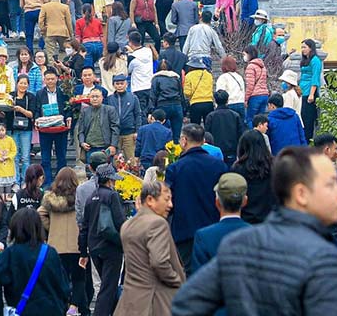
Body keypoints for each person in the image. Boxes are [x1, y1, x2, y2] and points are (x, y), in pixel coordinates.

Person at [171, 146, 337, 315]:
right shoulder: (323, 258)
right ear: (301, 194)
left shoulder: (239, 244)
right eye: (330, 184)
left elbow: (186, 303)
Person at [114, 179, 184, 315]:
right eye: (167, 199)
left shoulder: (127, 226)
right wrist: (177, 280)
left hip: (130, 301)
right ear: (150, 200)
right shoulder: (157, 223)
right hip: (155, 301)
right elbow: (159, 262)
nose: (170, 205)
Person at [165, 124, 229, 272]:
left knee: (186, 274)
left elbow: (169, 201)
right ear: (203, 140)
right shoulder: (219, 166)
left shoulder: (175, 168)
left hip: (184, 231)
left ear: (183, 140)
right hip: (213, 228)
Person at [0, 207, 71, 316]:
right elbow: (64, 287)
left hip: (23, 310)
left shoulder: (11, 254)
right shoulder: (50, 252)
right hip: (52, 310)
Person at [38, 166, 87, 315]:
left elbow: (40, 214)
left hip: (56, 246)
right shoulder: (81, 197)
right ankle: (74, 307)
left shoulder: (50, 198)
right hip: (78, 245)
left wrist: (51, 228)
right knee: (79, 279)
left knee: (60, 279)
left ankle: (63, 305)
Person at [79, 165, 125, 316]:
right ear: (110, 180)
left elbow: (84, 227)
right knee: (108, 288)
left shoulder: (91, 197)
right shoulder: (112, 196)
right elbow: (120, 222)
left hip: (94, 248)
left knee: (106, 285)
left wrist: (83, 251)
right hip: (111, 246)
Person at [189, 172, 251, 274]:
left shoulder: (204, 237)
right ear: (245, 201)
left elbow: (198, 279)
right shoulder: (257, 236)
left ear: (217, 202)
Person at [36, 70, 72, 185]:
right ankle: (47, 183)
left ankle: (61, 182)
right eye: (48, 79)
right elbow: (37, 110)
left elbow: (68, 108)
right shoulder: (39, 93)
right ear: (44, 80)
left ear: (57, 79)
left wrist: (69, 117)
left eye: (52, 78)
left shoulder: (64, 92)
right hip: (45, 129)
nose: (50, 81)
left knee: (61, 156)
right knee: (45, 158)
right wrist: (36, 120)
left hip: (60, 129)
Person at [77, 88, 119, 162]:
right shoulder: (85, 111)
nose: (95, 99)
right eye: (92, 97)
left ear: (102, 98)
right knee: (90, 172)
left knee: (107, 171)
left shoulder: (110, 110)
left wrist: (113, 145)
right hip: (90, 148)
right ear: (89, 98)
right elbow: (81, 130)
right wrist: (82, 142)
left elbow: (115, 128)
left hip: (106, 147)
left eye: (97, 96)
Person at [106, 74, 141, 162]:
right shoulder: (109, 99)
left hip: (129, 133)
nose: (120, 86)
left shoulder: (133, 98)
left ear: (126, 84)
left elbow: (138, 115)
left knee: (131, 159)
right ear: (114, 85)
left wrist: (137, 131)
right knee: (115, 160)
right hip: (114, 134)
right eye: (117, 84)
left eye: (122, 83)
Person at [203, 90, 245, 164]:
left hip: (215, 150)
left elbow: (207, 134)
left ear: (215, 101)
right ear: (227, 100)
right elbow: (241, 134)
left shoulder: (211, 116)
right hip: (231, 150)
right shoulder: (235, 115)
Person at [298, 38, 323, 142]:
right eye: (302, 47)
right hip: (302, 91)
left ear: (311, 48)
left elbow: (315, 78)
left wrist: (311, 94)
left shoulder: (315, 60)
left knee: (308, 121)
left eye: (305, 47)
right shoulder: (305, 60)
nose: (303, 49)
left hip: (309, 93)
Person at [183, 56, 216, 126]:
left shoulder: (189, 75)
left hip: (195, 103)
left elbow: (187, 92)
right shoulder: (208, 75)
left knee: (195, 128)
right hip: (208, 103)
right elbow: (211, 88)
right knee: (209, 126)